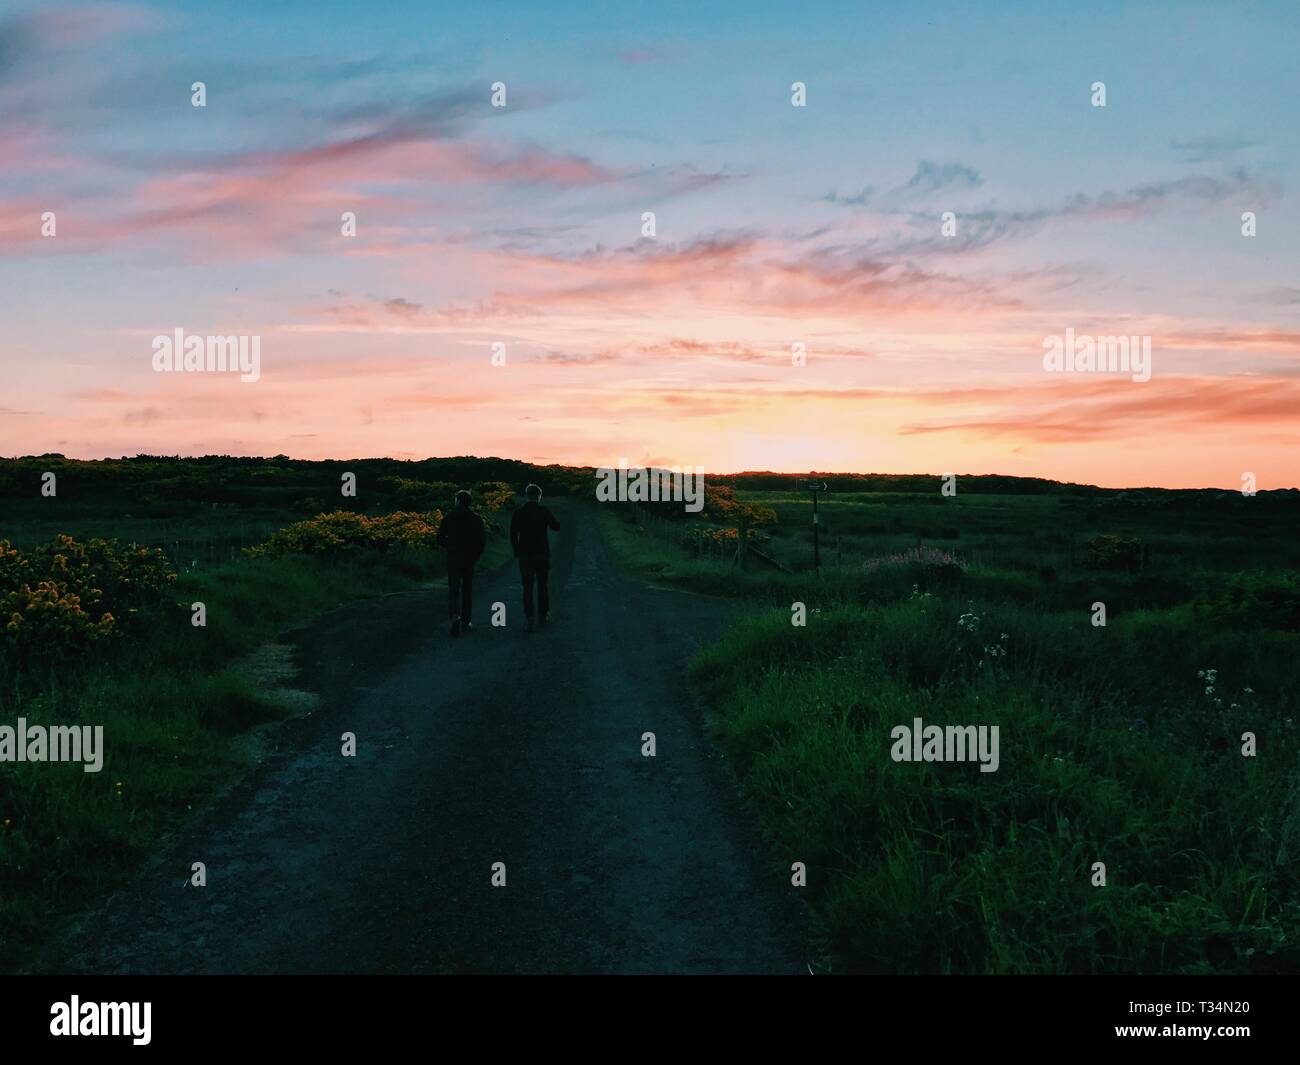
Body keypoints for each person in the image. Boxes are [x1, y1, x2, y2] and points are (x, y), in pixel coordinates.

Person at [436, 489, 486, 638]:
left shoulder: (449, 517)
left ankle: (455, 617)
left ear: (457, 501)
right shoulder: (476, 518)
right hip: (469, 558)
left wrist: (450, 546)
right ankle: (466, 621)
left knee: (453, 590)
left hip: (453, 557)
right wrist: (476, 555)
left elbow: (439, 538)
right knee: (467, 590)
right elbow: (481, 541)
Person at [509, 483, 560, 631]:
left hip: (525, 554)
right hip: (542, 553)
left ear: (526, 495)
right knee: (542, 586)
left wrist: (516, 551)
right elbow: (556, 527)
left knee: (527, 587)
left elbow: (513, 533)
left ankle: (529, 617)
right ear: (539, 496)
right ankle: (543, 616)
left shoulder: (519, 512)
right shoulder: (543, 511)